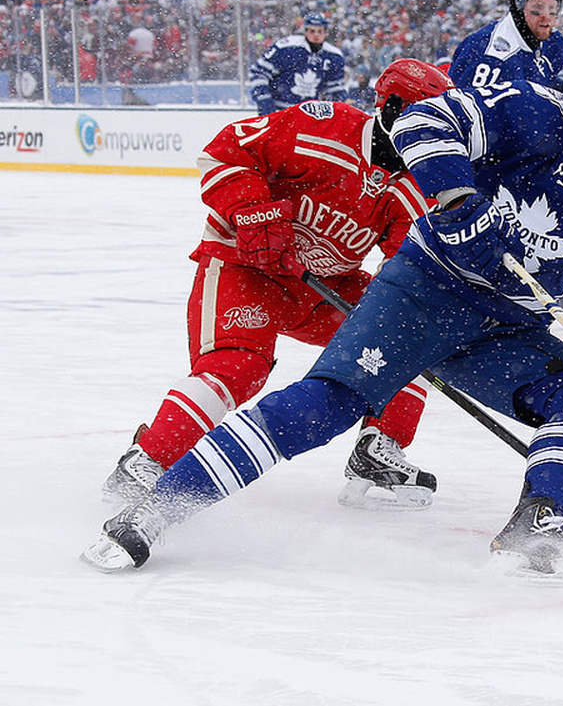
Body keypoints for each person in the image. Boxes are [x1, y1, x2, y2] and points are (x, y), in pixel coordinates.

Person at [83, 54, 563, 584]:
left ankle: (534, 531)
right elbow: (424, 123)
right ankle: (159, 505)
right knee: (328, 403)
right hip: (425, 292)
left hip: (504, 327)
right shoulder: (526, 110)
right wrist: (459, 200)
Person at [100, 59, 453, 514]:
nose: (432, 136)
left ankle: (377, 448)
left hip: (321, 286)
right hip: (245, 267)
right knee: (238, 366)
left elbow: (406, 262)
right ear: (391, 106)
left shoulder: (418, 183)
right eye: (424, 120)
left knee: (407, 333)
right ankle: (146, 459)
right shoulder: (321, 127)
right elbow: (225, 151)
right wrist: (252, 211)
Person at [448, 0, 563, 90]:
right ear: (517, 6)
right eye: (537, 8)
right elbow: (460, 106)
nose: (547, 17)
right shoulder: (488, 56)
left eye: (552, 9)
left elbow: (547, 85)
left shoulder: (554, 43)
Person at [249, 13, 348, 115]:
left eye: (320, 31)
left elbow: (335, 90)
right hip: (279, 112)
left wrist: (336, 108)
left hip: (308, 116)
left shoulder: (334, 56)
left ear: (325, 32)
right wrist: (265, 101)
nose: (316, 35)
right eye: (312, 31)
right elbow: (258, 72)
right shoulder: (286, 48)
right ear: (305, 31)